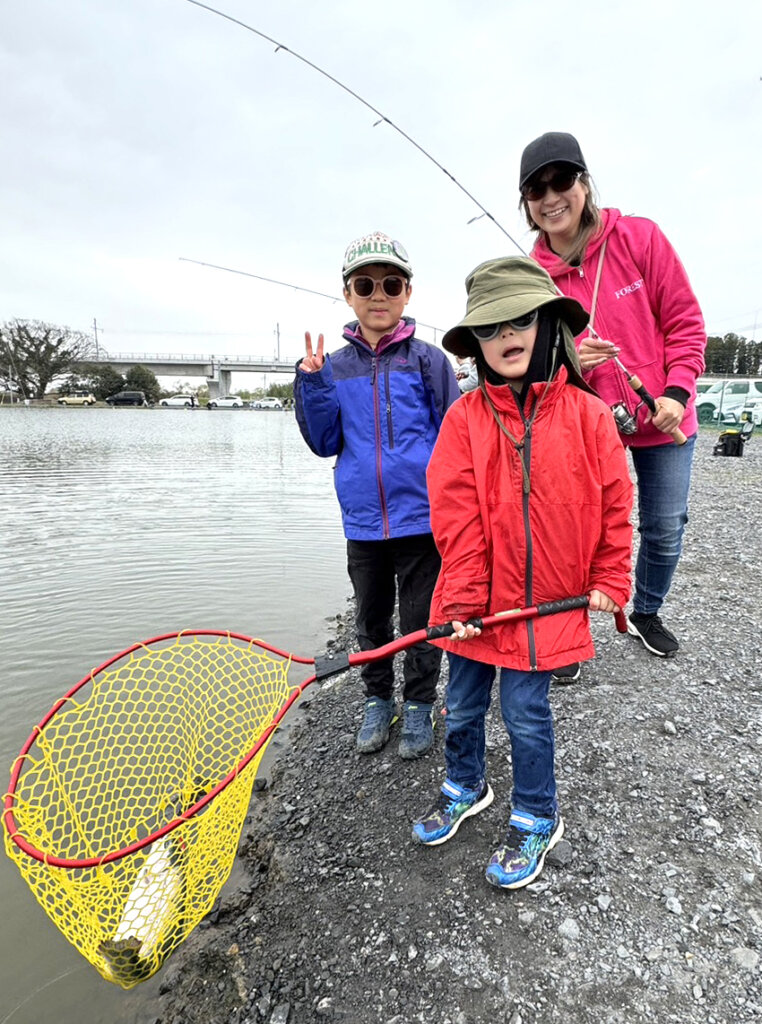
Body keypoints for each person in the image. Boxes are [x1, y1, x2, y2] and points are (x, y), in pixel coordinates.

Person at [411, 256, 633, 889]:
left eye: (520, 320)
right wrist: (460, 602)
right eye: (489, 327)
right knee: (461, 701)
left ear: (549, 325)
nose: (505, 335)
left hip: (548, 607)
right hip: (477, 606)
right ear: (475, 344)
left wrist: (611, 582)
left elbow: (617, 507)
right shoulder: (463, 418)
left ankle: (537, 814)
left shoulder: (590, 416)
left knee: (527, 713)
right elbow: (453, 518)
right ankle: (465, 784)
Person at [518, 132, 706, 679]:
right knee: (571, 529)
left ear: (584, 183)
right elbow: (528, 363)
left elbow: (686, 325)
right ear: (527, 204)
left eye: (562, 181)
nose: (551, 197)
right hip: (586, 425)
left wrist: (676, 391)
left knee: (665, 526)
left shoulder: (640, 238)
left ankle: (644, 610)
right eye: (536, 189)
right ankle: (567, 630)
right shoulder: (532, 277)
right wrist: (570, 357)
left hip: (663, 416)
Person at [294, 231, 461, 758]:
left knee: (420, 621)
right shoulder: (332, 368)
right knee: (370, 619)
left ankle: (417, 705)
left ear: (407, 291)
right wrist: (311, 384)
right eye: (365, 284)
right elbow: (323, 443)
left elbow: (457, 438)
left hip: (422, 520)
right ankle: (375, 699)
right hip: (362, 522)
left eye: (391, 283)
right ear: (348, 294)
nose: (378, 294)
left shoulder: (430, 361)